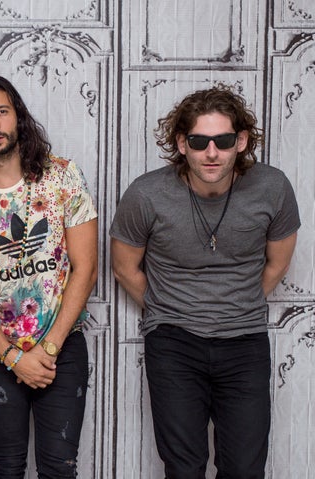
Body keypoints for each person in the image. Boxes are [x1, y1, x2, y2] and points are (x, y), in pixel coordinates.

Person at [110, 86, 300, 478]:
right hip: (174, 344)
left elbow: (278, 263)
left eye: (223, 141)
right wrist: (171, 306)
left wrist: (237, 304)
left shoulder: (273, 188)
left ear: (241, 141)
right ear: (182, 144)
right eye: (199, 141)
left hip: (244, 343)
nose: (211, 153)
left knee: (245, 469)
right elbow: (124, 267)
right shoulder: (146, 194)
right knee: (184, 468)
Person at [0, 75, 98, 477]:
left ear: (18, 116)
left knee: (58, 467)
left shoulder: (62, 177)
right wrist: (13, 356)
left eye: (1, 112)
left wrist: (47, 350)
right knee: (5, 467)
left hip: (61, 347)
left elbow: (86, 270)